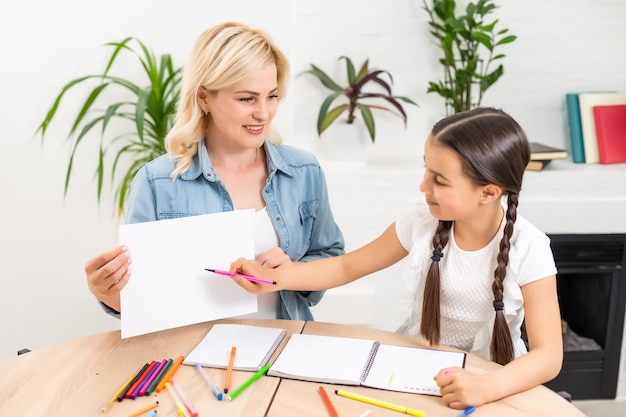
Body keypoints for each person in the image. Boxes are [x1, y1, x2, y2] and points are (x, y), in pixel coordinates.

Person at [229, 107, 563, 409]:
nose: (423, 186)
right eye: (426, 170)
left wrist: (486, 387)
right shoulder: (422, 222)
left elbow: (548, 356)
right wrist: (275, 279)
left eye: (439, 180)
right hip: (415, 371)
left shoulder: (529, 247)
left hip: (495, 381)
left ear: (488, 193)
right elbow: (347, 266)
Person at [85, 22, 344, 321]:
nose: (264, 113)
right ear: (204, 97)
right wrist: (109, 294)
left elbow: (330, 257)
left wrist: (293, 273)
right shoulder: (157, 182)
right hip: (194, 358)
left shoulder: (304, 171)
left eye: (271, 96)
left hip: (284, 349)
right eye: (246, 98)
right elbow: (142, 299)